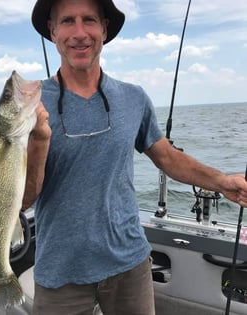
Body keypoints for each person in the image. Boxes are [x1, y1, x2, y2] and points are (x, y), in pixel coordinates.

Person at [22, 0, 247, 314]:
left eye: (89, 20)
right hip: (60, 271)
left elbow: (167, 157)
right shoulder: (27, 103)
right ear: (52, 29)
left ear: (105, 28)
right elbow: (22, 200)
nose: (79, 32)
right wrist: (37, 142)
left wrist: (223, 182)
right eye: (67, 21)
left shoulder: (134, 97)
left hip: (129, 263)